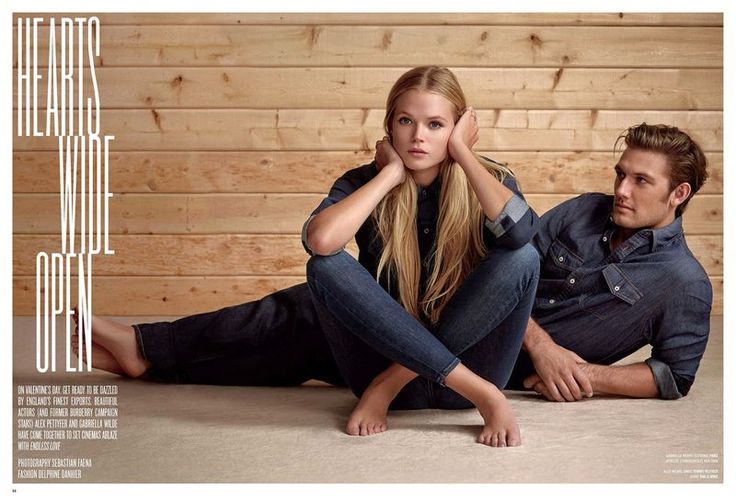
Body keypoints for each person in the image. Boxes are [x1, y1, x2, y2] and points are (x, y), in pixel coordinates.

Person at [74, 66, 541, 448]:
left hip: (466, 370)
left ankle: (397, 382)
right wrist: (389, 177)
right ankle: (146, 351)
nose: (419, 136)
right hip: (387, 360)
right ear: (388, 125)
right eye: (405, 121)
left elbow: (522, 233)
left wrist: (462, 153)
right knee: (320, 274)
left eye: (437, 125)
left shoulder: (488, 180)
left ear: (459, 127)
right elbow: (320, 242)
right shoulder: (364, 182)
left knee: (520, 259)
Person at [506, 123, 712, 402]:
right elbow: (504, 268)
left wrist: (582, 375)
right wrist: (540, 346)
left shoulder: (684, 281)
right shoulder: (582, 210)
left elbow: (674, 375)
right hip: (468, 322)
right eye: (620, 174)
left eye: (641, 180)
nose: (622, 190)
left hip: (498, 373)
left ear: (679, 193)